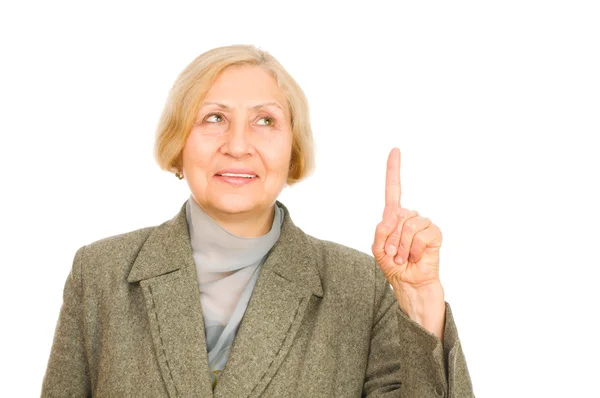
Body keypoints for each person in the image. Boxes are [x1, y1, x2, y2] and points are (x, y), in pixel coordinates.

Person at [41, 44, 474, 397]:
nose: (238, 144)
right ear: (178, 142)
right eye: (215, 118)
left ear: (293, 150)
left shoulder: (358, 284)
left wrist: (419, 302)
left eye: (265, 121)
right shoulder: (100, 274)